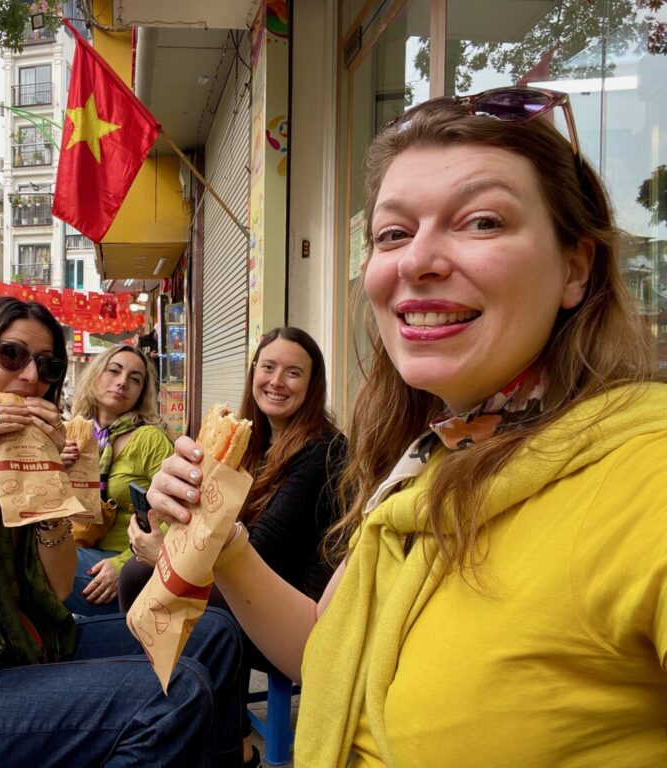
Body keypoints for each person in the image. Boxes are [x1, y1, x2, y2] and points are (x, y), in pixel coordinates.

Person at [148, 87, 667, 767]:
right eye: (393, 233)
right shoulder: (424, 463)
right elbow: (329, 653)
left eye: (481, 221)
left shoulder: (643, 476)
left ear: (574, 267)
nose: (417, 261)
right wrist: (223, 540)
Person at [0, 297, 245, 767]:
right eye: (12, 355)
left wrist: (50, 485)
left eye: (46, 366)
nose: (29, 377)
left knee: (213, 633)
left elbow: (59, 585)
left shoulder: (27, 450)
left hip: (29, 645)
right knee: (175, 693)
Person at [120, 326, 347, 767]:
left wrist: (167, 554)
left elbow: (263, 551)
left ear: (312, 384)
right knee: (137, 573)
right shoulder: (250, 446)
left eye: (293, 372)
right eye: (268, 367)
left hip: (295, 609)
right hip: (244, 583)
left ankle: (233, 741)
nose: (277, 381)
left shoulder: (323, 451)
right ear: (253, 375)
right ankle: (177, 704)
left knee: (184, 594)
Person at [60, 343, 173, 616]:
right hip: (81, 546)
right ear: (95, 375)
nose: (122, 382)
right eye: (114, 371)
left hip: (131, 566)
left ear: (141, 393)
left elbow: (181, 517)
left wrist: (123, 565)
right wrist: (55, 470)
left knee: (33, 565)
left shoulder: (149, 439)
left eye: (135, 379)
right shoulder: (73, 433)